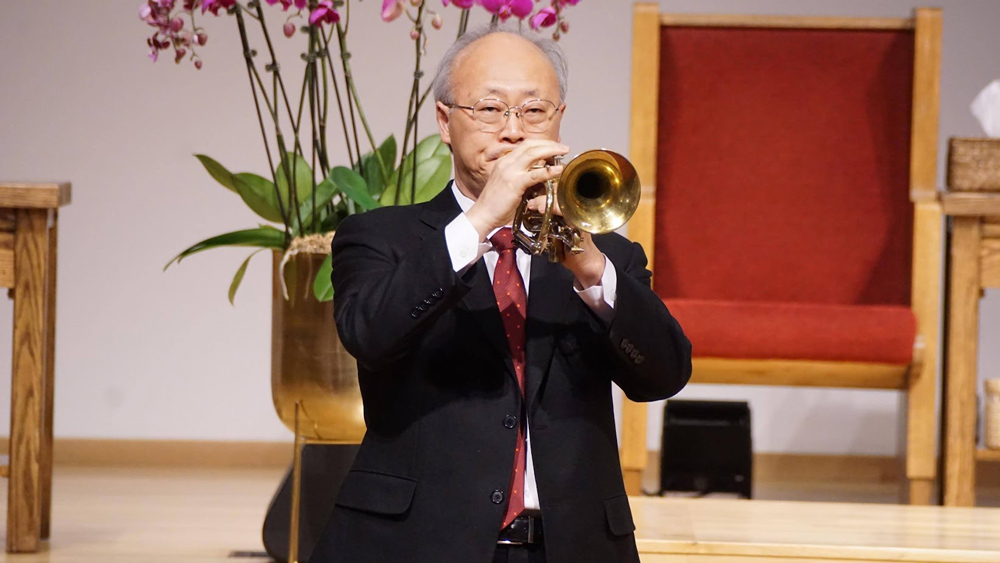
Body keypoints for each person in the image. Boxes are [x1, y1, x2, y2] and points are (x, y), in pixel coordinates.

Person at [310, 25, 691, 563]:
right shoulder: (379, 237)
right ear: (445, 121)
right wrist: (483, 218)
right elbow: (369, 335)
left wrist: (589, 267)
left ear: (559, 119)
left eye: (534, 111)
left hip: (570, 548)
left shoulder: (606, 256)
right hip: (413, 545)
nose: (513, 131)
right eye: (490, 109)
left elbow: (664, 375)